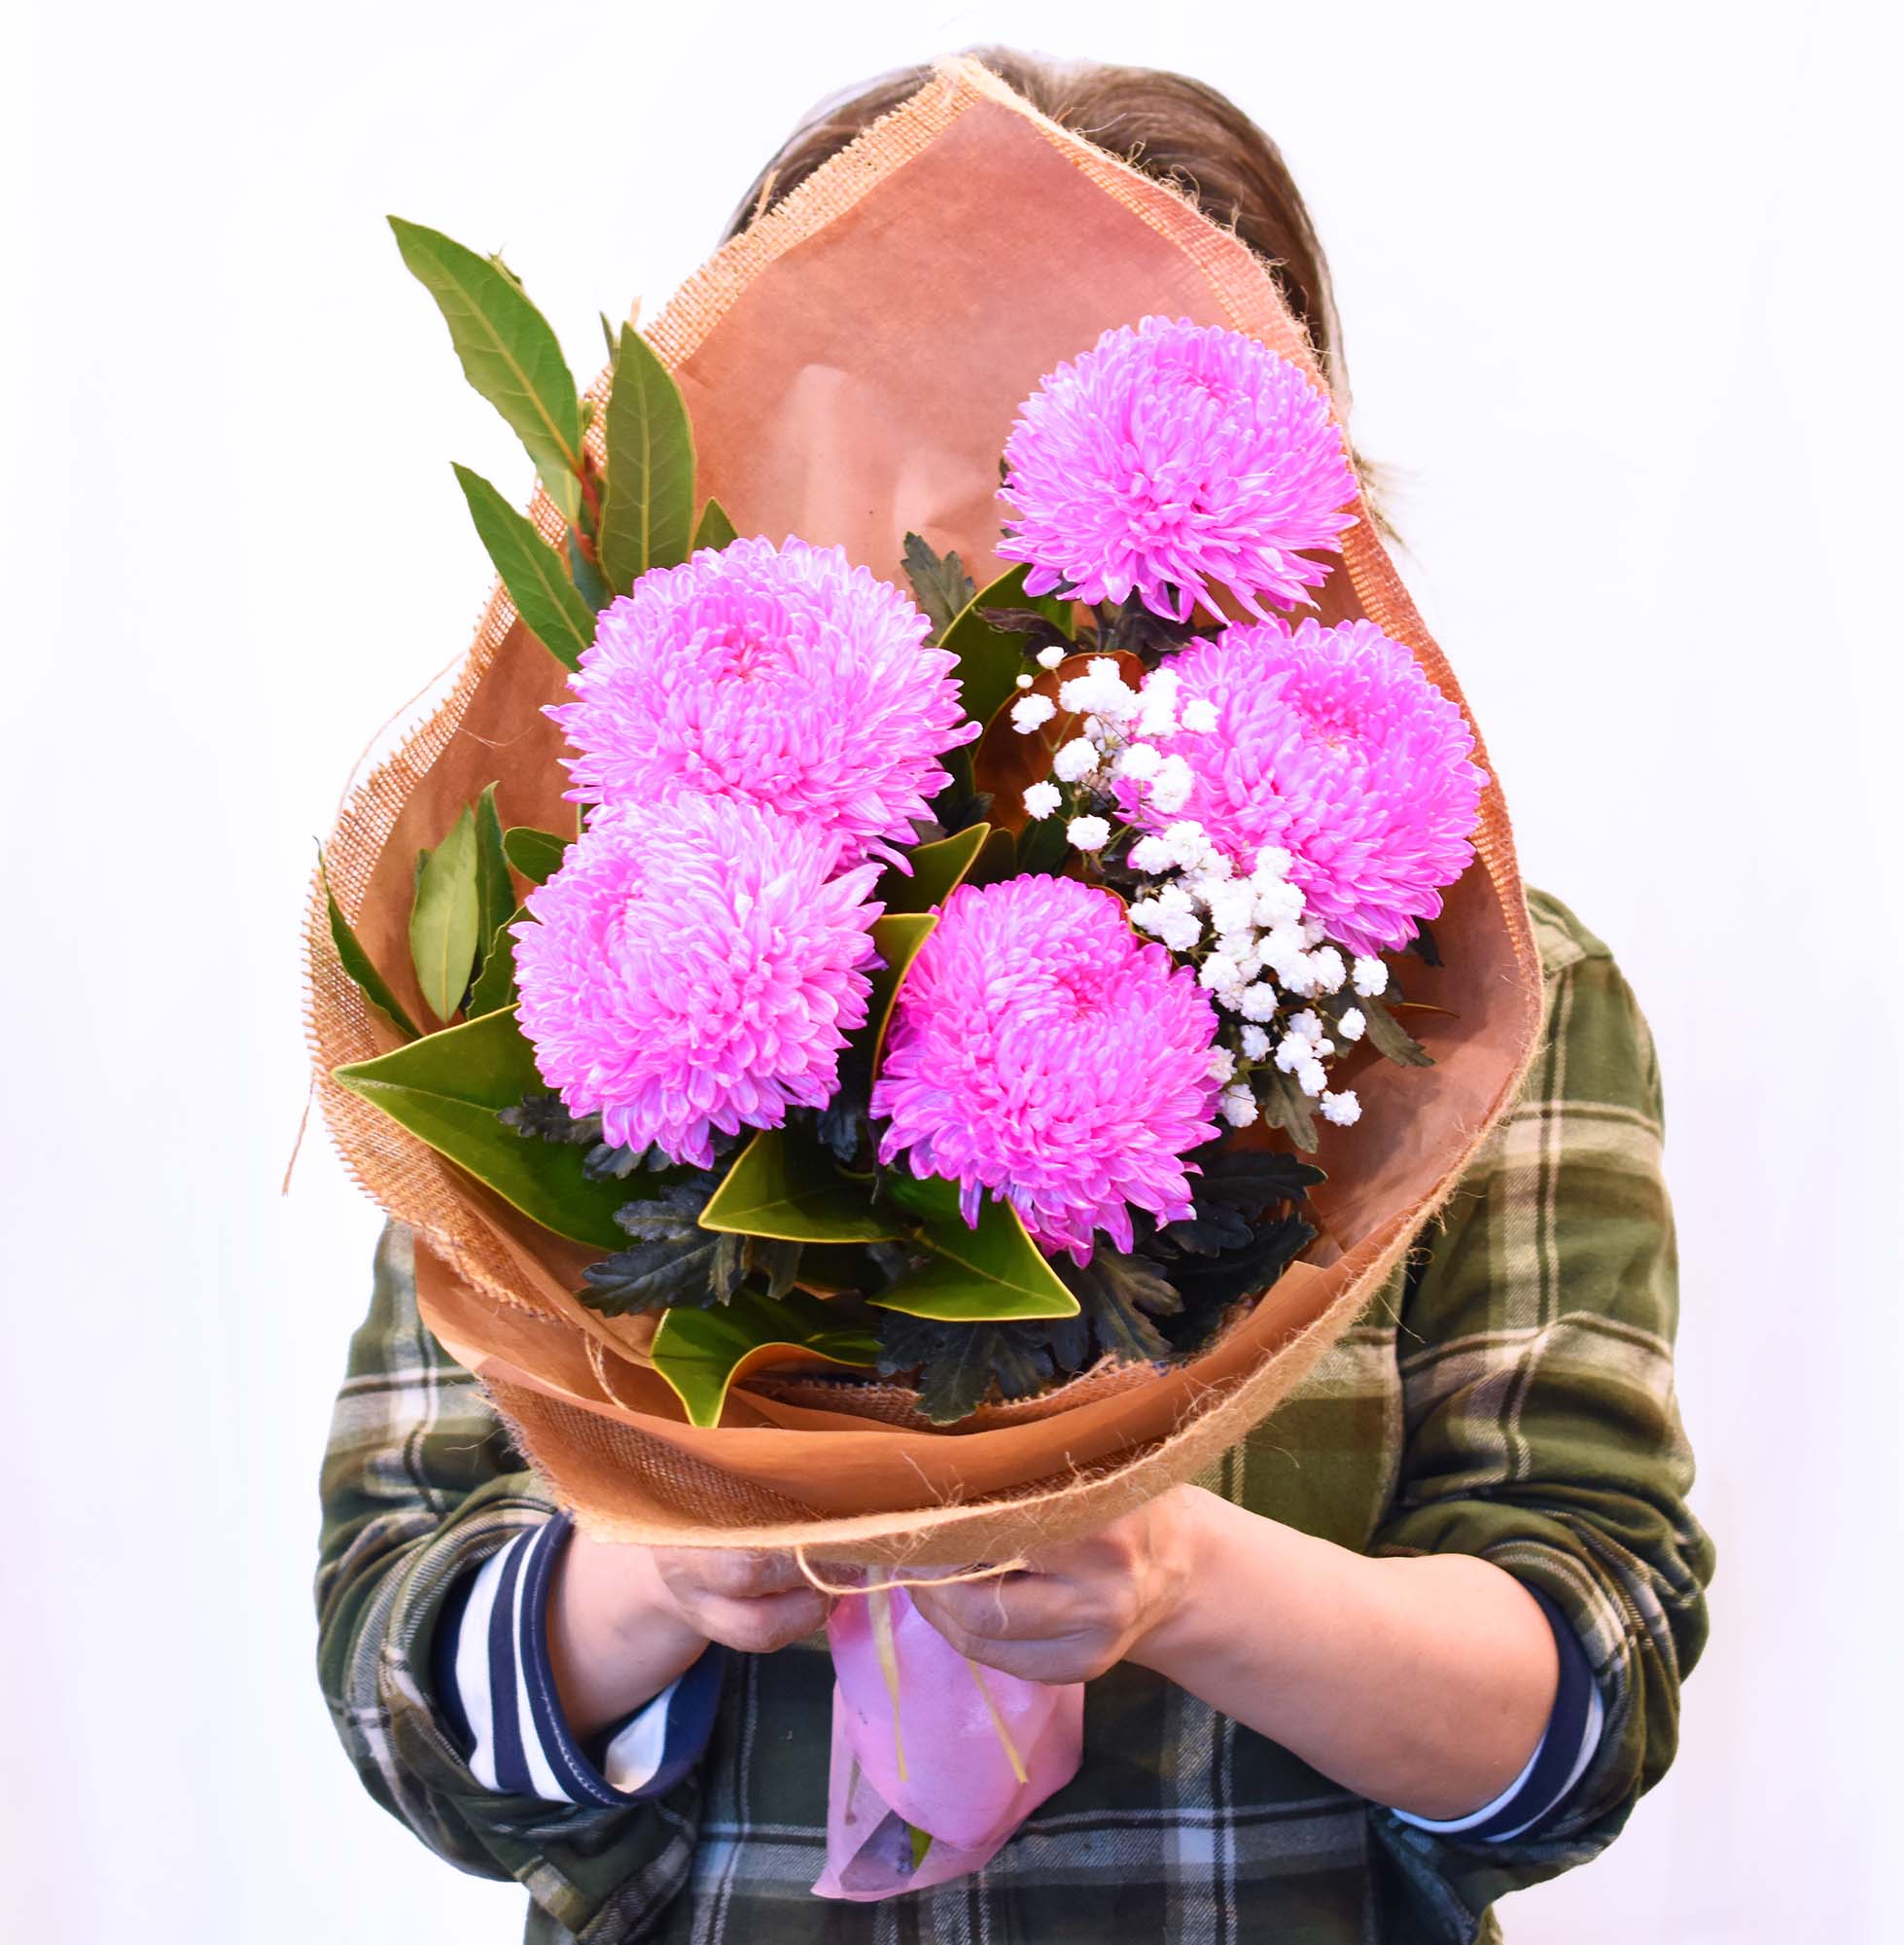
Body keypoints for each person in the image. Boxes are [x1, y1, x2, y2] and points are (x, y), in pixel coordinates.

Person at [316, 51, 1711, 1944]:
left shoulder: (1489, 1005)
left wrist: (1183, 1578)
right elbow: (399, 1688)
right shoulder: (580, 961)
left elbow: (1591, 1699)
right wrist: (661, 1572)